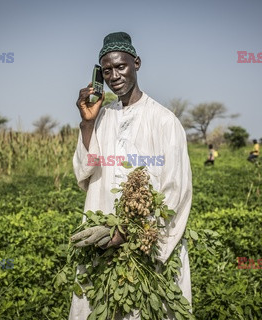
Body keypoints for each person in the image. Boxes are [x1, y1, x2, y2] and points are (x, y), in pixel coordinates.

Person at [70, 32, 192, 320]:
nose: (114, 76)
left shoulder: (164, 120)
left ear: (136, 63)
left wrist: (127, 232)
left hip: (148, 240)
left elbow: (176, 190)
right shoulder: (101, 117)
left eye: (121, 66)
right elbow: (85, 172)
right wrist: (87, 123)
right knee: (98, 305)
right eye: (107, 70)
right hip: (102, 238)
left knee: (146, 308)